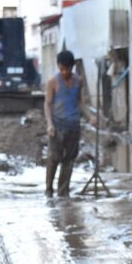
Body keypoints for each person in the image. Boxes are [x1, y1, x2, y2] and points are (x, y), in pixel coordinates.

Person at [44, 49, 89, 197]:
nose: (64, 72)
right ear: (58, 67)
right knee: (54, 158)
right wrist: (50, 124)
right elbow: (48, 104)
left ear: (72, 67)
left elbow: (80, 101)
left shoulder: (79, 81)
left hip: (73, 126)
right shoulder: (53, 82)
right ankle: (49, 190)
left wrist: (89, 116)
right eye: (61, 69)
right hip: (57, 127)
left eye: (67, 69)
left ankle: (63, 192)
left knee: (69, 161)